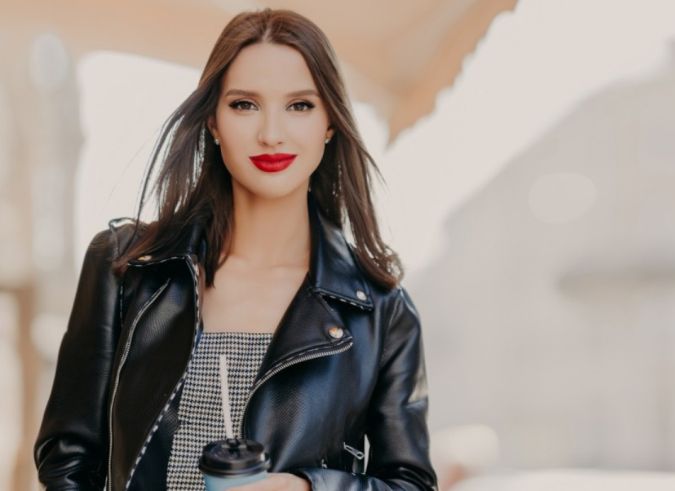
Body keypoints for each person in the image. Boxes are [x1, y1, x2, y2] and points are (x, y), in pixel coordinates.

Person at [33, 8, 437, 491]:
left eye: (300, 106)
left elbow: (410, 484)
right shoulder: (127, 268)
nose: (271, 133)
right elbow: (67, 464)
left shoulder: (380, 312)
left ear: (330, 123)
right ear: (213, 121)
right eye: (245, 104)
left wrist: (305, 488)